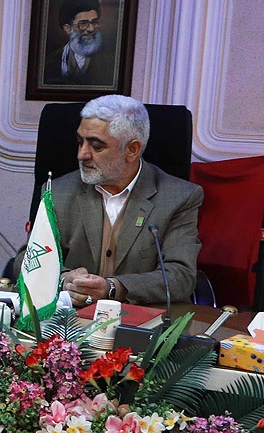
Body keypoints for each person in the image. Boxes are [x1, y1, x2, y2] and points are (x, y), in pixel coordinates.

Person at [52, 95, 202, 307]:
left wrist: (114, 288)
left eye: (96, 146)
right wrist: (63, 278)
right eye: (80, 142)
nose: (82, 154)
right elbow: (26, 259)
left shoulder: (179, 197)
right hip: (72, 317)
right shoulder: (58, 191)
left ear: (132, 150)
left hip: (142, 316)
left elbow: (180, 276)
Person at [44, 0, 116, 88]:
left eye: (94, 22)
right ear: (67, 28)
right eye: (83, 23)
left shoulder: (111, 63)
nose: (91, 29)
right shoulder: (49, 62)